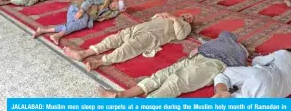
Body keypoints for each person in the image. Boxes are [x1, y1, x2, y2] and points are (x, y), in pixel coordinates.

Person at [98, 31, 249, 98]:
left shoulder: (239, 50)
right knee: (161, 76)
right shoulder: (216, 42)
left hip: (215, 64)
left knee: (175, 82)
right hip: (198, 58)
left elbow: (238, 68)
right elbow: (198, 48)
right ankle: (122, 94)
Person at [63, 12, 195, 71]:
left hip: (151, 36)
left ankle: (100, 62)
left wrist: (175, 19)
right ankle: (84, 53)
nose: (187, 16)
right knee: (113, 38)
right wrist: (161, 15)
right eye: (187, 14)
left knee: (127, 48)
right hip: (139, 28)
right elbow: (152, 18)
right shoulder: (170, 15)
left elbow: (180, 36)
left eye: (190, 17)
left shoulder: (184, 25)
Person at [33, 0, 126, 45]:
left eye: (116, 8)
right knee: (83, 22)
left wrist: (121, 10)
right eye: (115, 4)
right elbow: (89, 0)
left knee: (75, 24)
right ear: (115, 0)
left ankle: (43, 30)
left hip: (82, 17)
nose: (114, 7)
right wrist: (81, 11)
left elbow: (115, 13)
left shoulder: (110, 12)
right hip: (77, 8)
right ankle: (58, 35)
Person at [213, 49, 291, 98]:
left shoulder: (283, 53)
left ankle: (221, 92)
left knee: (223, 72)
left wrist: (220, 90)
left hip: (263, 78)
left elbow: (257, 61)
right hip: (272, 96)